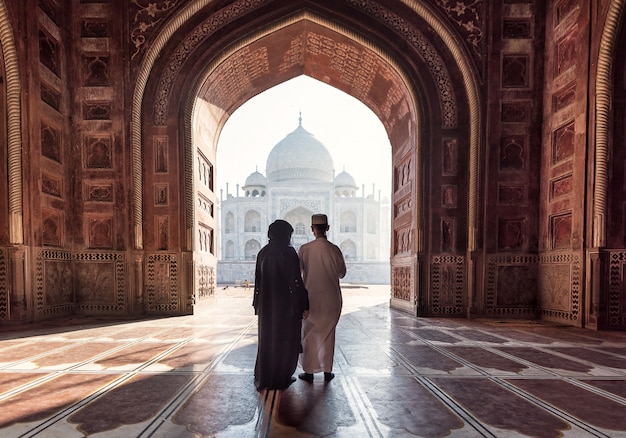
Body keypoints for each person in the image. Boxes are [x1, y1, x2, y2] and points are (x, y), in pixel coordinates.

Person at [253, 220, 309, 391]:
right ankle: (281, 377)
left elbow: (258, 281)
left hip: (266, 306)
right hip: (286, 307)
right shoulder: (288, 252)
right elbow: (296, 281)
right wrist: (302, 304)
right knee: (285, 341)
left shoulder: (263, 252)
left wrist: (257, 305)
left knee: (268, 339)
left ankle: (265, 376)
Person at [298, 214, 346, 383]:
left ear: (312, 230)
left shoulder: (305, 249)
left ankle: (309, 372)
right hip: (332, 298)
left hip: (311, 298)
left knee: (309, 334)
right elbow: (342, 273)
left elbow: (299, 271)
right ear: (328, 228)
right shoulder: (335, 249)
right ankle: (327, 371)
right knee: (328, 334)